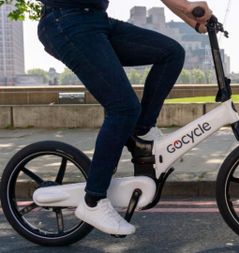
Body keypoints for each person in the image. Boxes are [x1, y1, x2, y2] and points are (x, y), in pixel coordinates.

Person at [37, 0, 212, 235]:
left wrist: (190, 16)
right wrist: (187, 6)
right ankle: (94, 201)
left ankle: (141, 131)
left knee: (172, 53)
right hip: (66, 20)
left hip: (96, 19)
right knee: (123, 107)